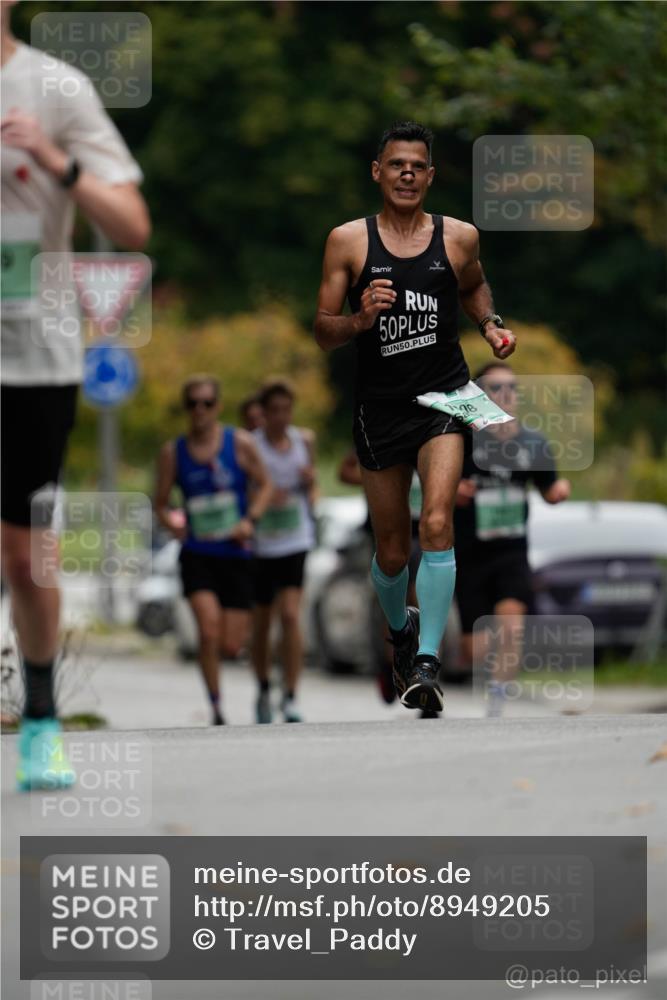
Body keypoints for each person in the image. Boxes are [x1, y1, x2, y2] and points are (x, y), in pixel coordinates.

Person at [314, 120, 516, 713]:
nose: (407, 173)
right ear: (378, 173)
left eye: (417, 165)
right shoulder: (348, 241)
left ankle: (427, 660)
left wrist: (490, 324)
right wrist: (358, 320)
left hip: (444, 400)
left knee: (436, 523)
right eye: (396, 164)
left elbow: (474, 286)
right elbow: (323, 331)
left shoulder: (458, 238)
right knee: (392, 553)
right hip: (380, 410)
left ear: (430, 175)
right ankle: (400, 632)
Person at [1, 2, 150, 789]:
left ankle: (42, 719)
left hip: (34, 357)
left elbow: (130, 222)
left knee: (26, 555)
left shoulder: (54, 87)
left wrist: (54, 161)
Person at [453, 362, 571, 715]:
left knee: (511, 627)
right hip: (470, 553)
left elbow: (548, 489)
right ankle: (487, 673)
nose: (506, 395)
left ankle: (499, 694)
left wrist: (558, 491)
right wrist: (453, 489)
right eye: (495, 389)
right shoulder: (460, 441)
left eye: (512, 389)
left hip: (512, 552)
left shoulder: (533, 443)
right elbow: (433, 484)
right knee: (474, 650)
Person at [154, 375, 272, 725]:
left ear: (217, 406)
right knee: (207, 630)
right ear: (186, 408)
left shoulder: (240, 443)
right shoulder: (172, 453)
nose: (200, 410)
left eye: (207, 403)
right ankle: (216, 705)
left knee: (231, 645)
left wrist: (250, 519)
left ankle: (235, 679)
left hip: (235, 553)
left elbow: (265, 485)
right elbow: (159, 503)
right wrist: (171, 523)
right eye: (193, 403)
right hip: (197, 553)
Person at [250, 378, 317, 724]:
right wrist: (260, 499)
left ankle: (290, 695)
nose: (280, 416)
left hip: (295, 537)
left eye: (285, 409)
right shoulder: (251, 445)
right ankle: (263, 688)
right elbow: (241, 490)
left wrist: (310, 482)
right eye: (273, 410)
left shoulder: (304, 441)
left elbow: (314, 487)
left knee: (291, 615)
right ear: (262, 413)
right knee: (263, 622)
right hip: (262, 543)